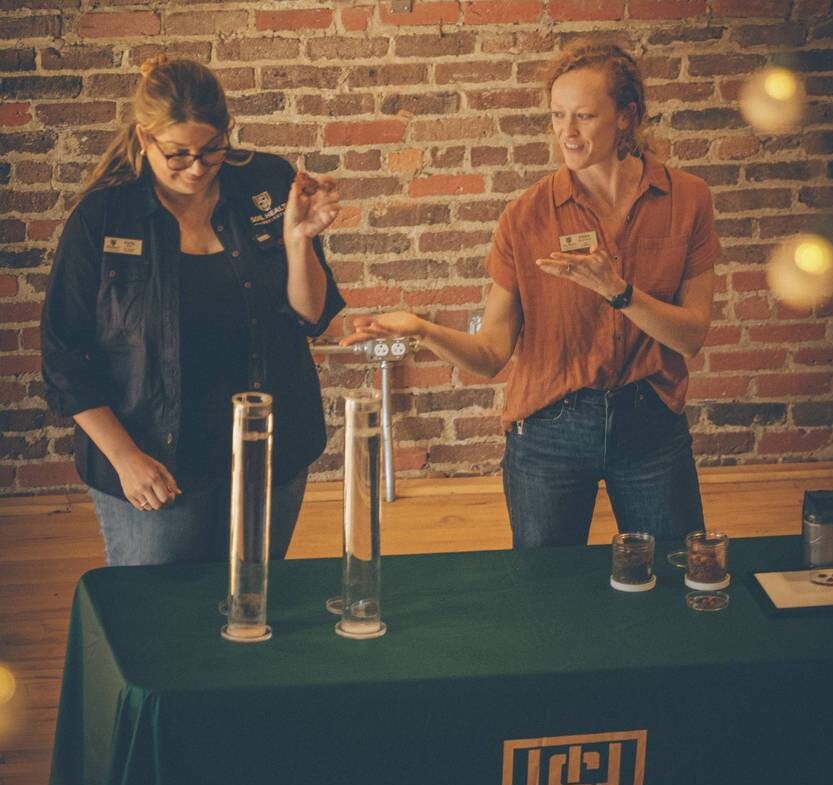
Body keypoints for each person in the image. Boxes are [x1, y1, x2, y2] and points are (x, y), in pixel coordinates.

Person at [343, 39, 720, 547]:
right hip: (549, 430)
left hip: (650, 422)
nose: (567, 132)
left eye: (584, 115)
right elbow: (492, 354)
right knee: (547, 596)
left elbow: (690, 337)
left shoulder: (687, 199)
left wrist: (618, 291)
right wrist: (422, 329)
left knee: (675, 580)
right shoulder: (526, 216)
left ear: (626, 116)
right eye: (556, 115)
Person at [41, 55, 344, 565]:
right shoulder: (105, 215)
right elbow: (64, 355)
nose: (198, 168)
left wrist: (299, 241)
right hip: (154, 460)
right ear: (145, 138)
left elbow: (310, 317)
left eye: (212, 150)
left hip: (267, 451)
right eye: (178, 155)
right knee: (158, 626)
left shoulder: (267, 182)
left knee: (253, 607)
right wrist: (125, 458)